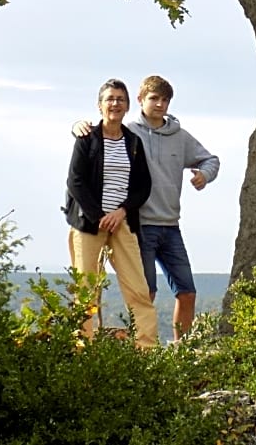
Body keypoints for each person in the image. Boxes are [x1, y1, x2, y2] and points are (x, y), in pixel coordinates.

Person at [72, 75, 220, 340]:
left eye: (165, 100)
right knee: (115, 290)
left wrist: (204, 176)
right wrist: (77, 125)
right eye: (154, 98)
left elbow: (209, 160)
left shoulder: (163, 138)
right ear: (140, 101)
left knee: (177, 291)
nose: (160, 104)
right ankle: (94, 347)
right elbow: (77, 179)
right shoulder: (120, 134)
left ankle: (171, 352)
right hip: (130, 224)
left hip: (158, 224)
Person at [63, 78, 159, 348]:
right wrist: (98, 215)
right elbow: (75, 181)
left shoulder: (133, 142)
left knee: (138, 289)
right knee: (86, 292)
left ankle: (147, 352)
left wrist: (121, 212)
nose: (115, 104)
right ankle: (82, 351)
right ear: (100, 105)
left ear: (128, 106)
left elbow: (143, 186)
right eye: (110, 99)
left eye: (120, 99)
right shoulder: (86, 139)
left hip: (122, 224)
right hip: (88, 225)